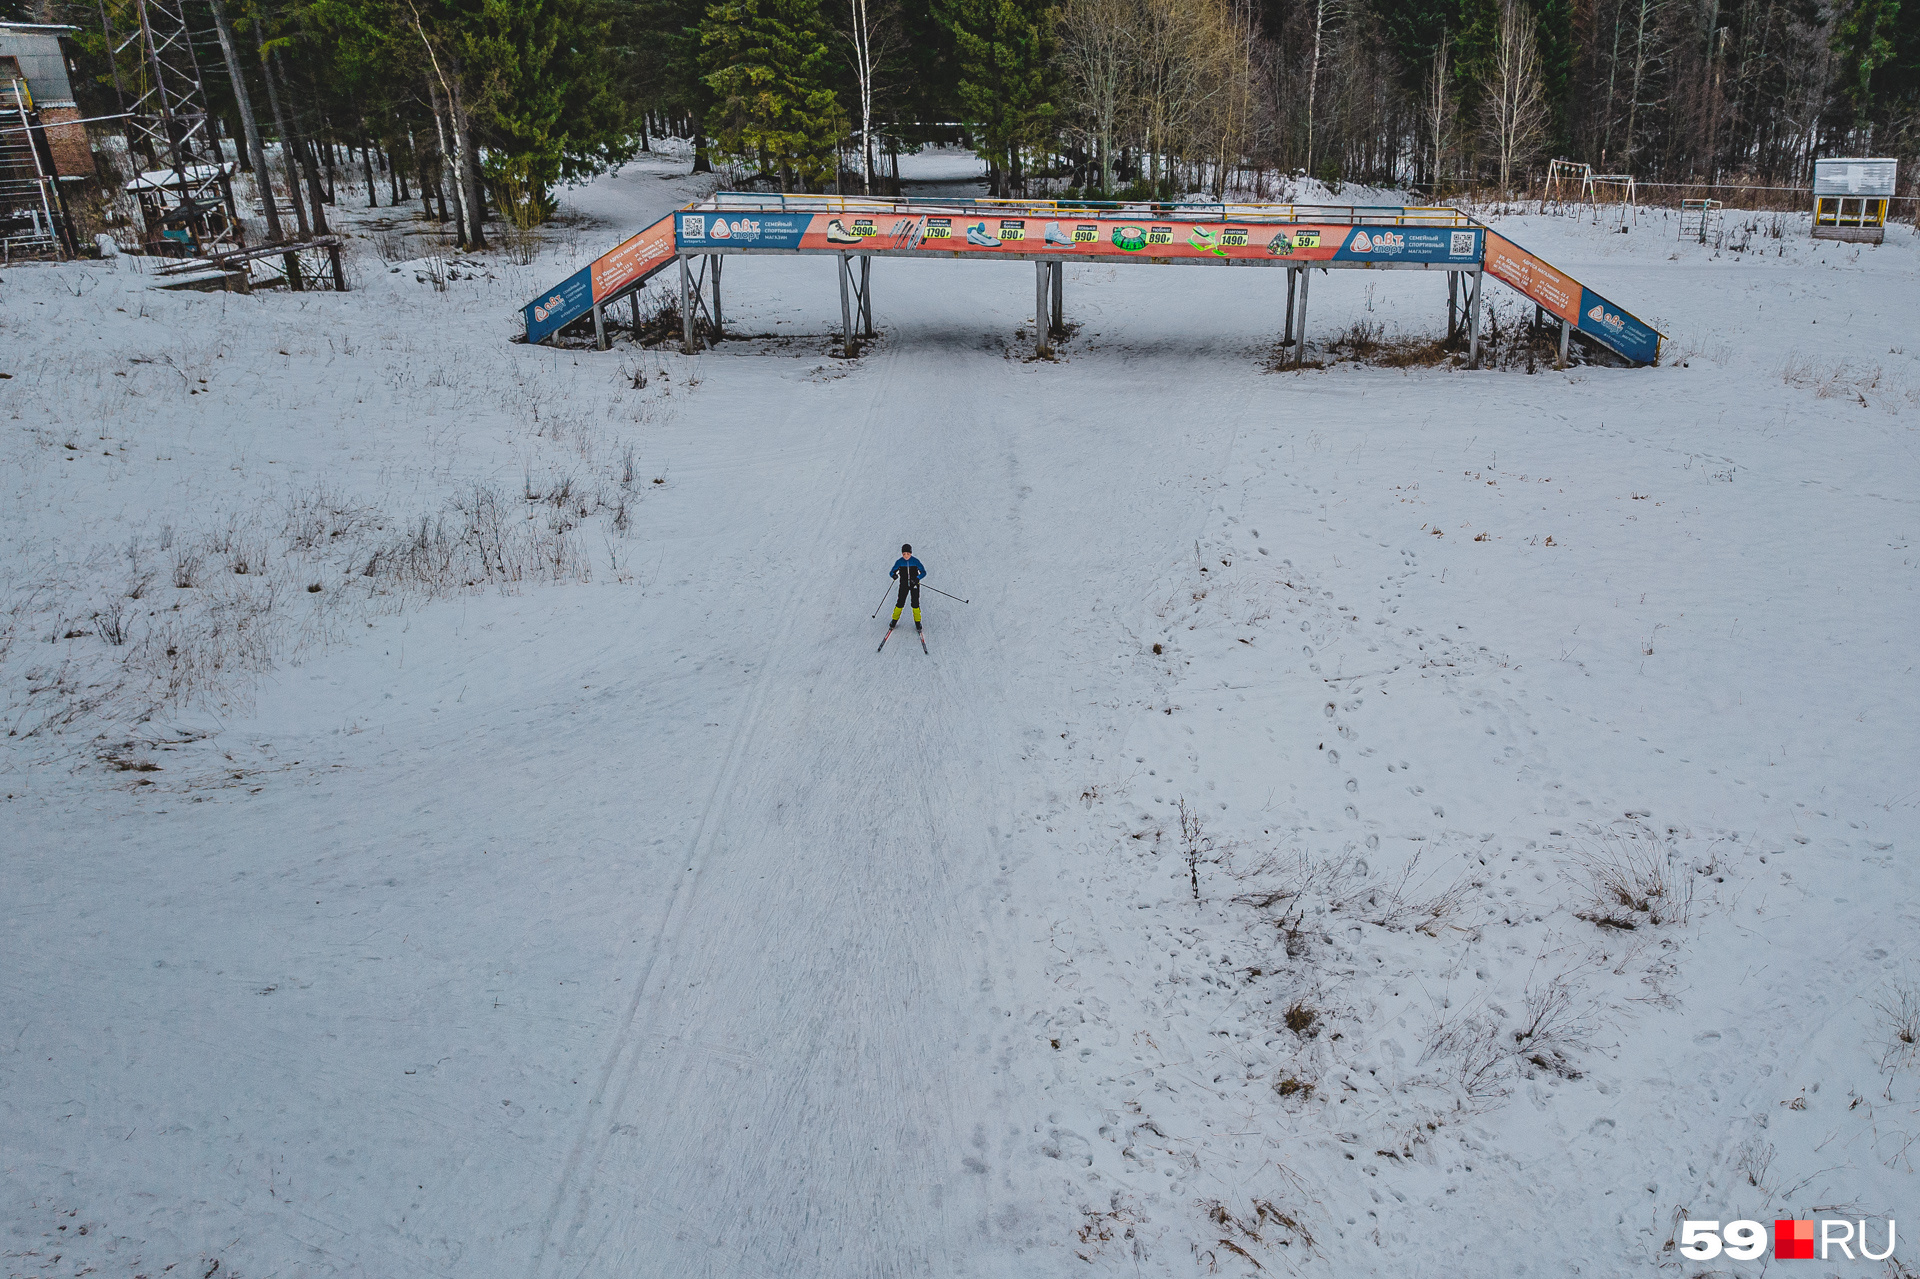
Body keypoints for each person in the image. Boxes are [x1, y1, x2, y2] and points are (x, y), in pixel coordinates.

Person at [889, 544, 926, 631]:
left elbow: (923, 572)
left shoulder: (915, 561)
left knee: (915, 603)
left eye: (908, 553)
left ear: (911, 553)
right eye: (904, 554)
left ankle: (918, 622)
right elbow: (891, 572)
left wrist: (917, 579)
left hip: (914, 585)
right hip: (904, 585)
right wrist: (893, 575)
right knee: (900, 602)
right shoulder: (899, 562)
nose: (906, 556)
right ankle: (894, 620)